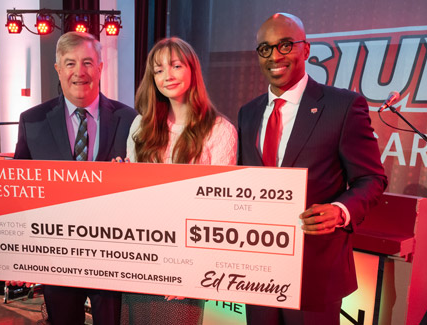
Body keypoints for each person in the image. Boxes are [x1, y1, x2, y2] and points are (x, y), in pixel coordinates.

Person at [237, 13, 387, 324]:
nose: (275, 56)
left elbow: (371, 178)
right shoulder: (247, 112)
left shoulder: (343, 106)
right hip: (256, 269)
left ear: (306, 50)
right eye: (265, 48)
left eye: (285, 45)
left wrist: (340, 211)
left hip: (315, 270)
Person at [0, 31, 136, 324]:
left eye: (88, 62)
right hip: (57, 259)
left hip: (113, 256)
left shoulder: (129, 119)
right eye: (70, 63)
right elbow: (19, 184)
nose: (80, 72)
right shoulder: (33, 121)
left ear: (101, 67)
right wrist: (0, 205)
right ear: (58, 69)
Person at [121, 37, 237, 324]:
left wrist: (193, 271)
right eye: (158, 70)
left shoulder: (220, 130)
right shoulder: (140, 125)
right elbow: (133, 197)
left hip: (186, 263)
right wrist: (119, 178)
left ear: (192, 70)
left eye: (175, 66)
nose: (167, 76)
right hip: (141, 255)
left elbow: (220, 212)